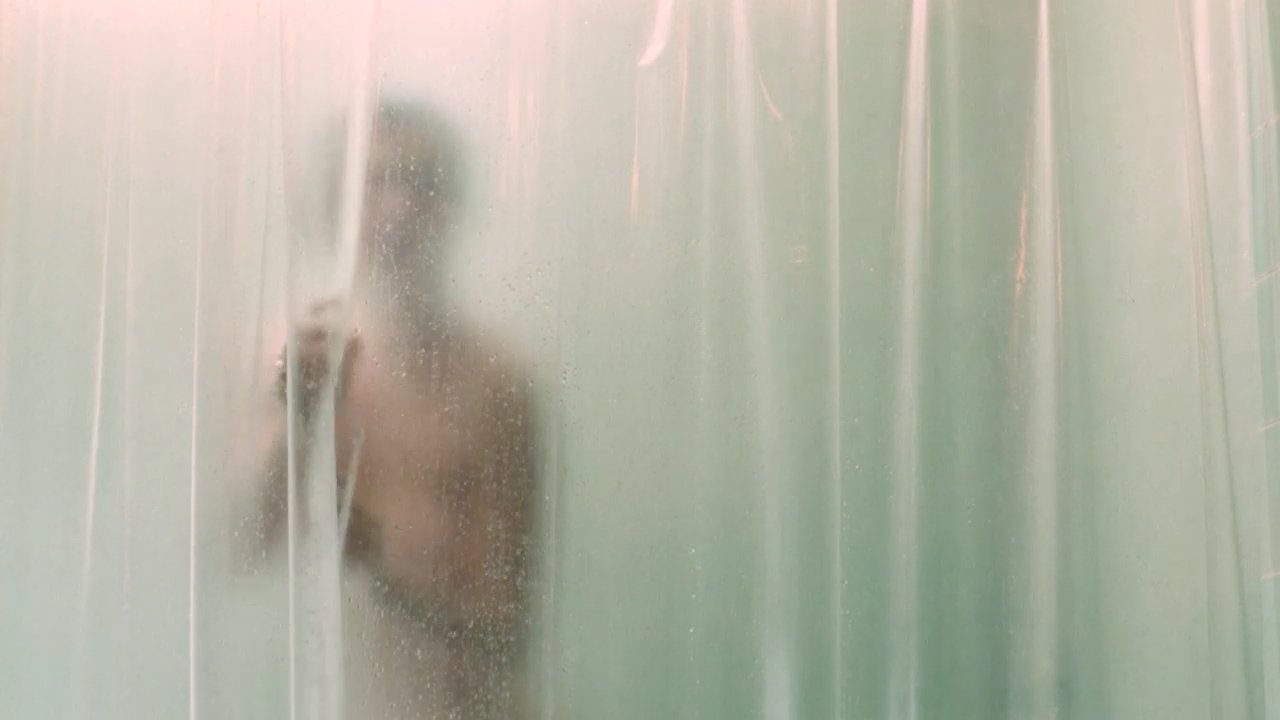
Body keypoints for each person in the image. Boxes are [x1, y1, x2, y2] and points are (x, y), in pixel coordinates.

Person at [252, 99, 538, 718]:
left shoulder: (495, 385)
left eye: (421, 182)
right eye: (375, 181)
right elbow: (241, 548)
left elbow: (508, 625)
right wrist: (300, 424)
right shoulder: (289, 359)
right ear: (334, 207)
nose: (400, 207)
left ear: (452, 206)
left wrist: (371, 558)